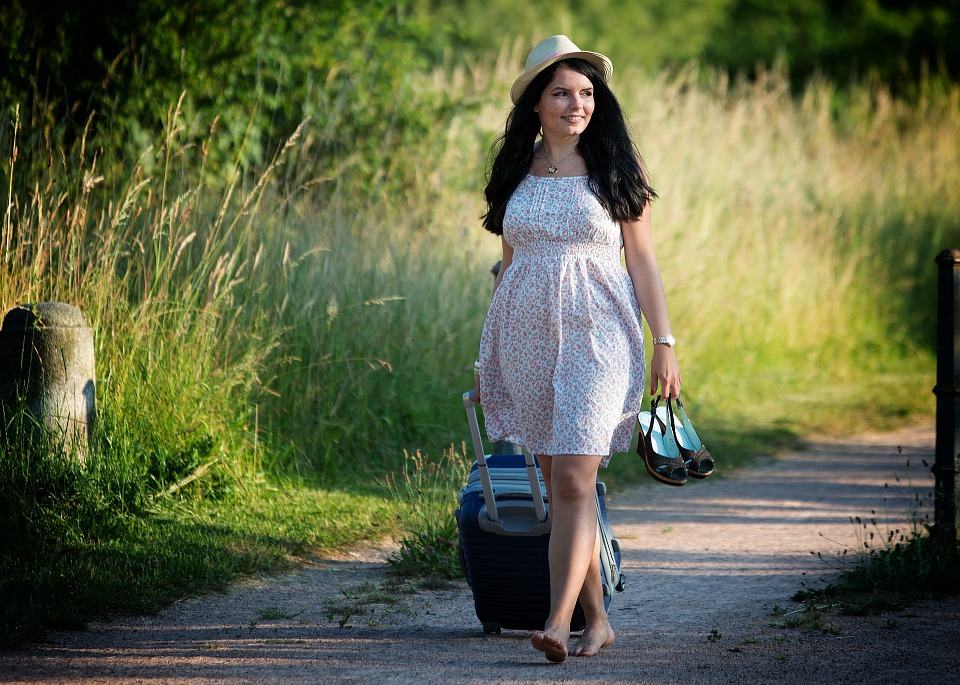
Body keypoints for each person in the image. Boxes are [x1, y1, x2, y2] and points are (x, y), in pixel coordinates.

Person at [474, 35, 683, 663]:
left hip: (601, 335)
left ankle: (556, 622)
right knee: (562, 485)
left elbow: (642, 261)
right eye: (562, 93)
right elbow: (508, 264)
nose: (577, 104)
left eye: (587, 93)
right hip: (526, 337)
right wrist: (489, 357)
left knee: (572, 479)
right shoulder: (517, 168)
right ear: (536, 104)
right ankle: (598, 620)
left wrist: (664, 343)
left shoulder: (617, 166)